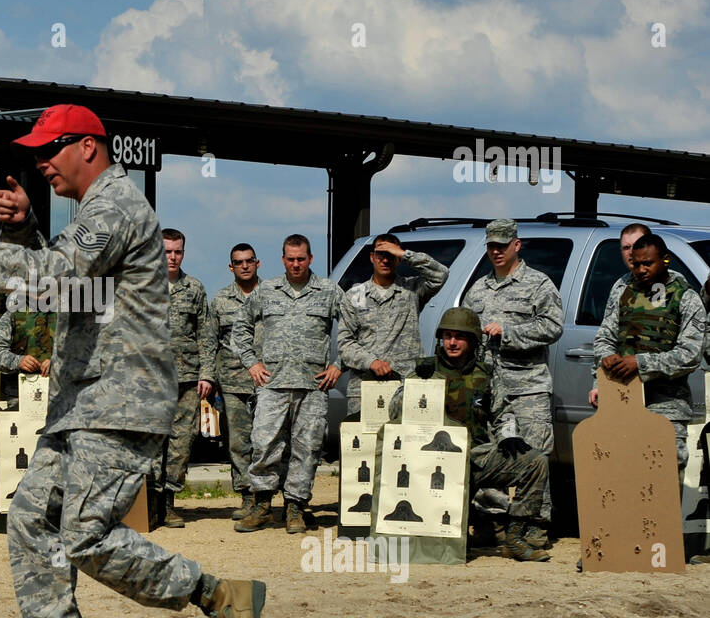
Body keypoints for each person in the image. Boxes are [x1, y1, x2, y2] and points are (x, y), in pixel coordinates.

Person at [0, 103, 264, 618]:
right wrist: (22, 231)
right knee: (31, 518)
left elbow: (53, 279)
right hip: (82, 402)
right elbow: (73, 288)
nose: (40, 162)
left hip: (119, 401)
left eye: (50, 150)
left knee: (85, 535)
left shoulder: (115, 204)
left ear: (88, 146)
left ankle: (222, 596)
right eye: (35, 154)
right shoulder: (94, 210)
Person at [396, 308, 551, 561]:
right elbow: (394, 414)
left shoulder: (486, 374)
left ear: (472, 341)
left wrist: (509, 435)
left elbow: (503, 412)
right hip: (431, 463)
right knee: (447, 545)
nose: (452, 342)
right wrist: (414, 387)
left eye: (459, 336)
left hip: (475, 457)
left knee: (536, 462)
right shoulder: (424, 371)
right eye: (447, 336)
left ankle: (514, 537)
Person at [233, 234, 346, 534]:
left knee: (307, 448)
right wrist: (251, 363)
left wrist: (339, 364)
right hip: (272, 384)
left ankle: (295, 507)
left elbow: (353, 327)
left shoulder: (329, 291)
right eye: (291, 259)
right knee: (264, 443)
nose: (296, 264)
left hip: (313, 386)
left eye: (301, 259)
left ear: (310, 259)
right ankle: (261, 505)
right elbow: (240, 327)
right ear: (283, 260)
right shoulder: (266, 291)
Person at [460, 219, 562, 544]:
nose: (496, 251)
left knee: (534, 458)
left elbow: (553, 326)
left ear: (517, 245)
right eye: (491, 245)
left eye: (502, 245)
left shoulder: (538, 284)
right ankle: (492, 525)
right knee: (492, 457)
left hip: (527, 388)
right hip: (491, 392)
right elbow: (466, 333)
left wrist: (510, 333)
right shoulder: (477, 289)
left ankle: (534, 529)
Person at [593, 234, 705, 475]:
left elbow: (690, 355)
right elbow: (604, 336)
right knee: (624, 475)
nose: (641, 269)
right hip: (623, 400)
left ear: (665, 261)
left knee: (661, 479)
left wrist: (640, 363)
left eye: (648, 263)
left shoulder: (685, 296)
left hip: (667, 406)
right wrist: (606, 357)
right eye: (636, 263)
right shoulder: (623, 288)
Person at [337, 233, 448, 415]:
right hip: (365, 389)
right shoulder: (355, 295)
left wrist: (405, 254)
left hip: (405, 388)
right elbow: (344, 343)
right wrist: (371, 362)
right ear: (372, 257)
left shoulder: (412, 290)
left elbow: (440, 274)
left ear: (398, 259)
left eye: (391, 255)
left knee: (405, 442)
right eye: (381, 254)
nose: (386, 260)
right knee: (365, 442)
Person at [151, 228, 217, 529]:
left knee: (181, 442)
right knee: (152, 441)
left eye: (177, 251)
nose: (172, 257)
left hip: (188, 379)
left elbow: (206, 335)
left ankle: (170, 502)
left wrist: (206, 375)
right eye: (167, 251)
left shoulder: (194, 288)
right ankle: (150, 500)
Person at [210, 244, 262, 521]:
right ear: (231, 267)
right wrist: (211, 377)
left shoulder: (271, 296)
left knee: (267, 441)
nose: (244, 266)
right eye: (238, 262)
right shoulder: (220, 301)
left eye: (249, 261)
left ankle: (266, 496)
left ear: (258, 264)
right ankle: (247, 496)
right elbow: (211, 340)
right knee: (238, 443)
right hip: (232, 380)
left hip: (266, 380)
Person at [0, 305, 56, 401]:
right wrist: (18, 361)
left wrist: (58, 363)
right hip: (18, 393)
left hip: (60, 394)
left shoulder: (68, 315)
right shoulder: (13, 314)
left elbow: (83, 355)